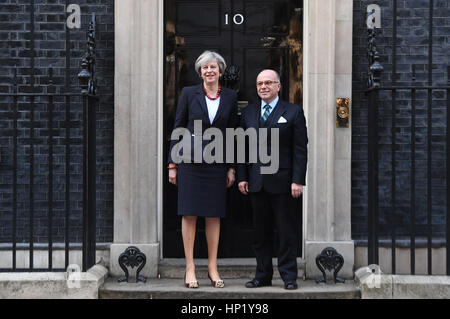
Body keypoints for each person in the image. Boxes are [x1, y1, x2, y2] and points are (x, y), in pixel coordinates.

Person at [168, 51, 238, 288]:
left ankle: (212, 267)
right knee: (189, 213)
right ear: (200, 72)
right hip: (189, 162)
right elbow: (178, 127)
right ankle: (190, 268)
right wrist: (172, 164)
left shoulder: (229, 96)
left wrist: (231, 168)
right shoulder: (189, 93)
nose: (209, 71)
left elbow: (232, 134)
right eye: (205, 68)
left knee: (213, 213)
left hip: (217, 163)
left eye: (213, 67)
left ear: (220, 70)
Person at [237, 69, 308, 290]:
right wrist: (242, 177)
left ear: (278, 86)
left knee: (286, 232)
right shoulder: (248, 113)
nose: (263, 87)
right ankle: (262, 276)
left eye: (268, 82)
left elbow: (300, 149)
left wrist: (298, 180)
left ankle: (288, 277)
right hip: (256, 182)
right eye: (259, 84)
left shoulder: (294, 111)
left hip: (284, 183)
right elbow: (241, 148)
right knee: (261, 234)